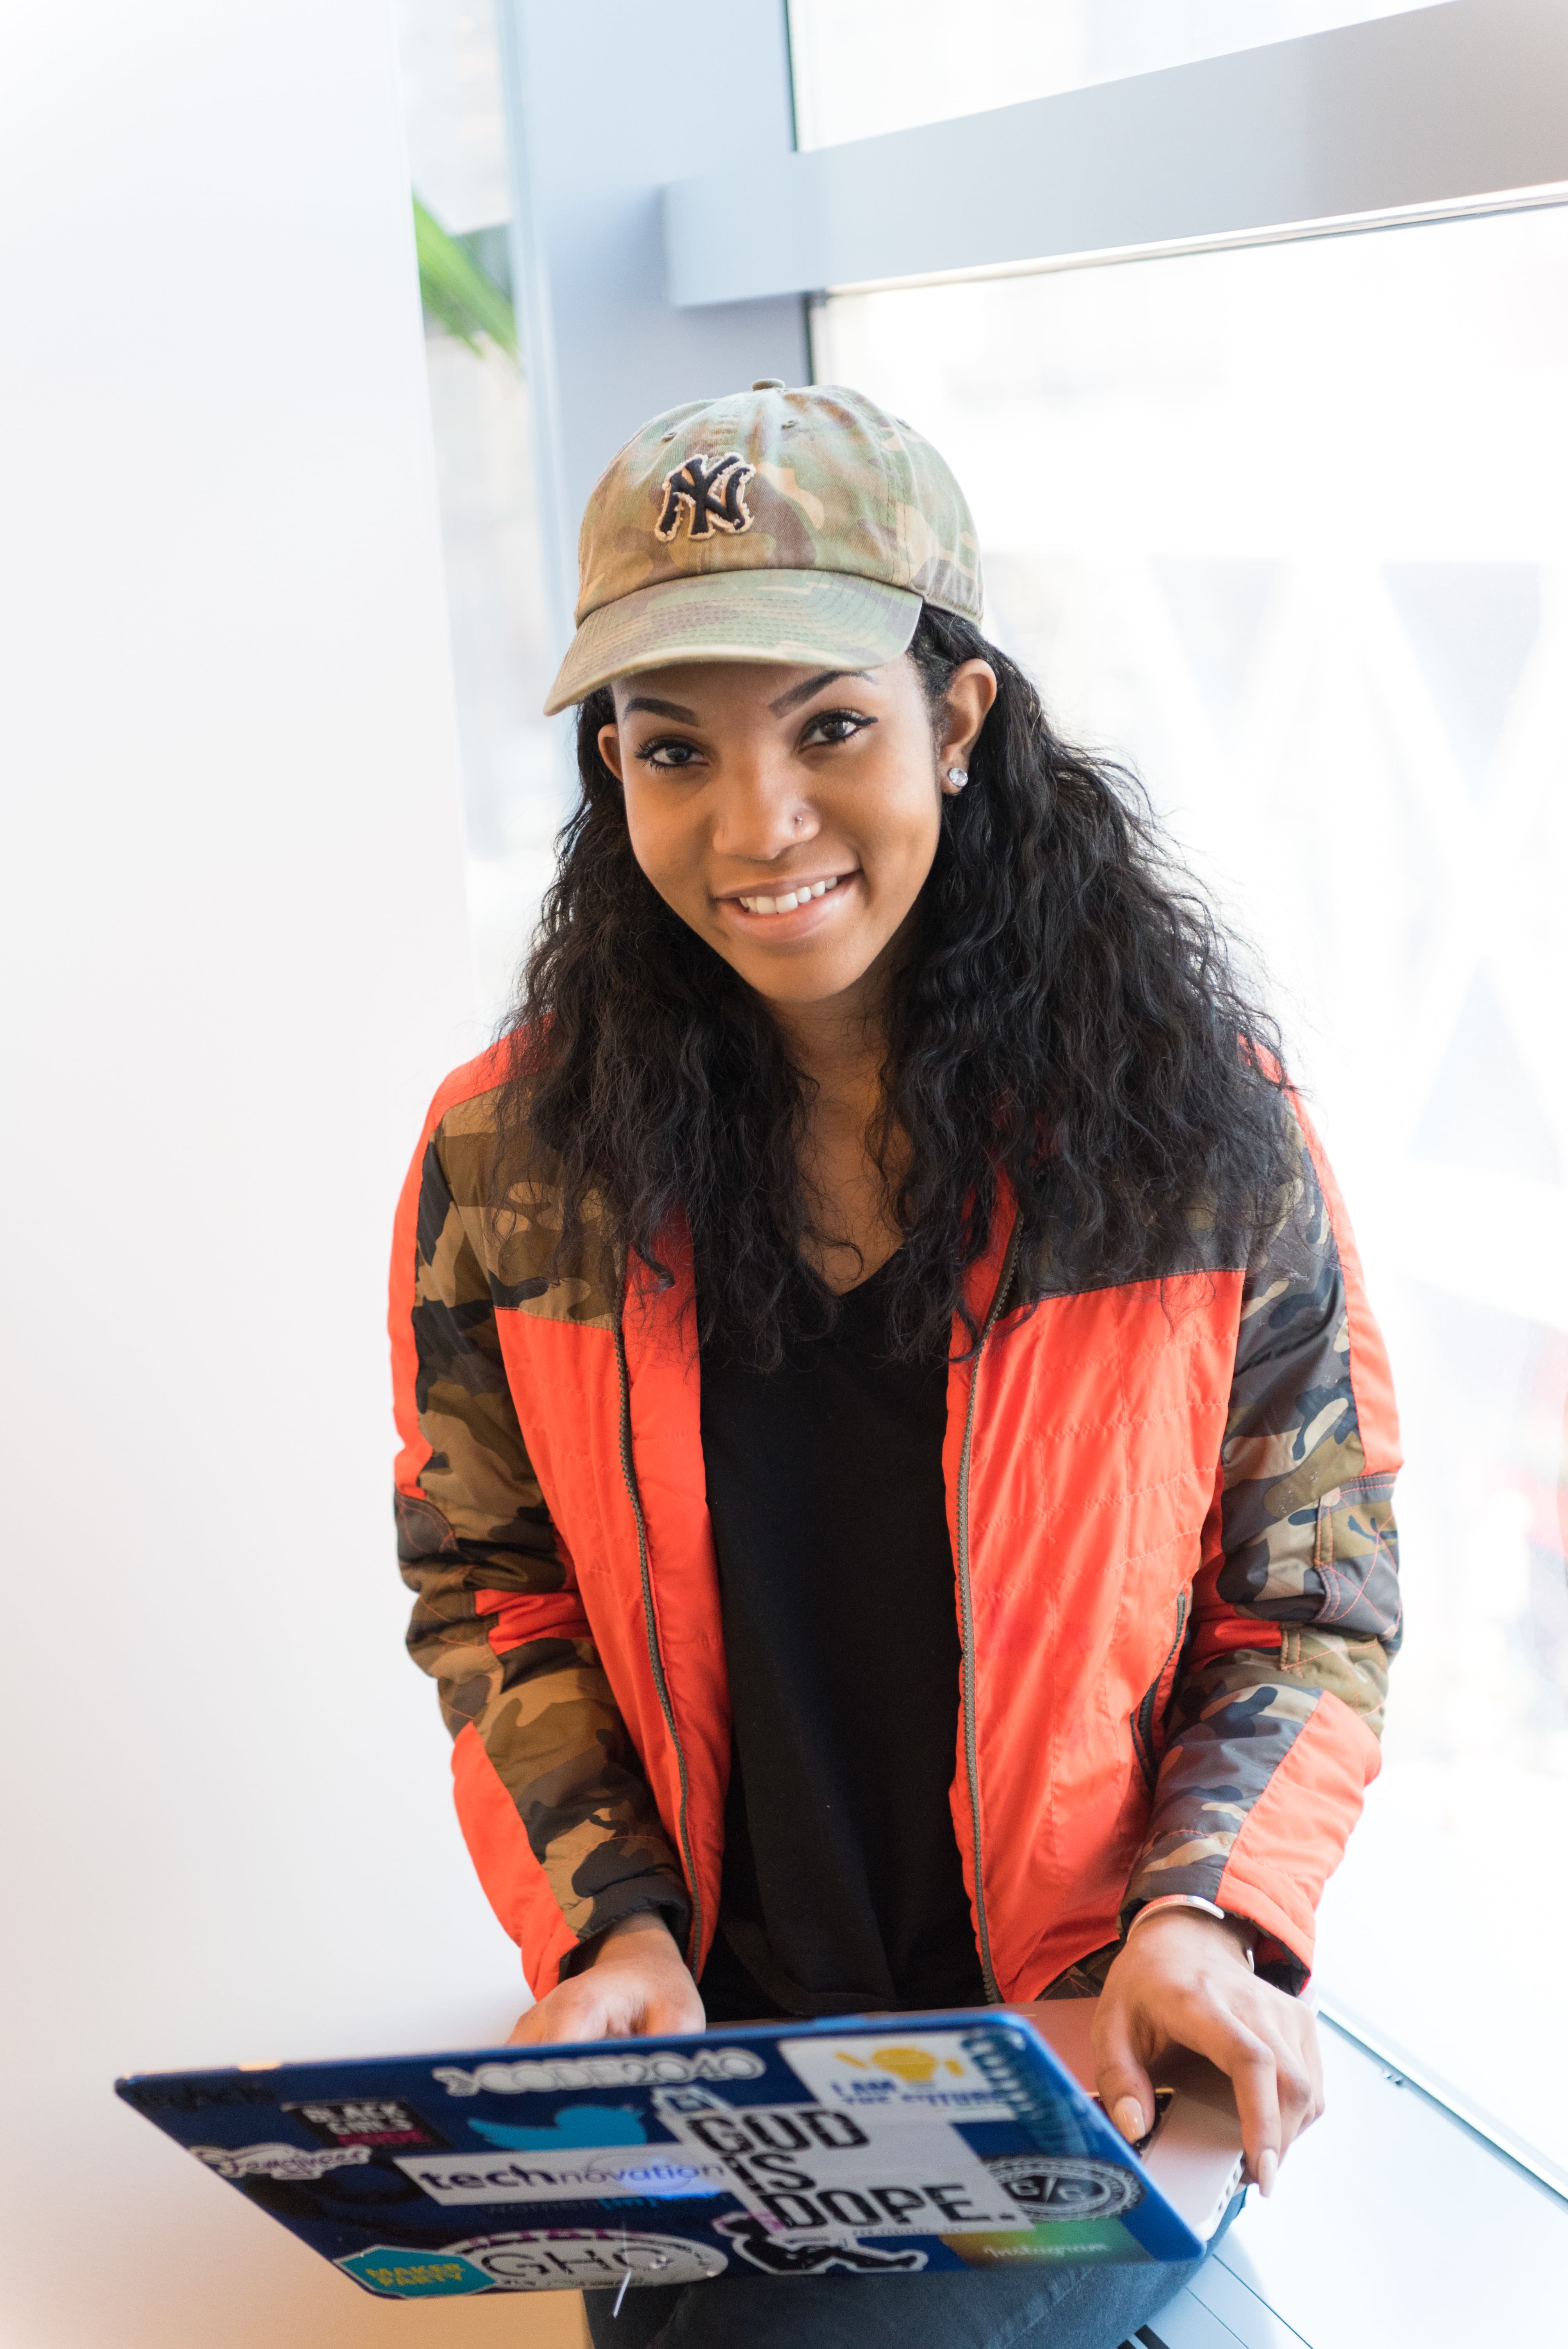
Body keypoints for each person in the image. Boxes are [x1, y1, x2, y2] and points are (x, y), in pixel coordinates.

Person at [390, 383, 1402, 2348]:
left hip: (1076, 2070)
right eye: (671, 749)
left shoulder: (1189, 1131)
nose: (752, 825)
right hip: (732, 2117)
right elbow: (493, 1588)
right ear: (613, 771)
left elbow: (1306, 1596)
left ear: (956, 720)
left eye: (828, 726)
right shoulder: (507, 1159)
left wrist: (1193, 1914)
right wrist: (608, 1926)